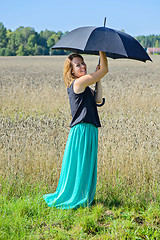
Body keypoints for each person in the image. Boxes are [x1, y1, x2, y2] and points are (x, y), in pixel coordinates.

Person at [43, 51, 108, 209]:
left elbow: (98, 99)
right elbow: (104, 70)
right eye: (77, 64)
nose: (82, 66)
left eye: (83, 62)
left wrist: (98, 79)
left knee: (85, 165)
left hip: (89, 129)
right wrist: (102, 51)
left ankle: (83, 196)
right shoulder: (78, 84)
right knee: (81, 165)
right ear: (71, 70)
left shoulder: (84, 85)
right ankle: (77, 198)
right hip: (82, 130)